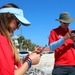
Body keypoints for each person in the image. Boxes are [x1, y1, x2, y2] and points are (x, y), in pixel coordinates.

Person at [0, 3, 43, 75]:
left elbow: (13, 66)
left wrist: (27, 59)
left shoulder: (5, 39)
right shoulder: (2, 41)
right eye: (18, 22)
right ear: (8, 16)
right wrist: (29, 62)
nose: (18, 27)